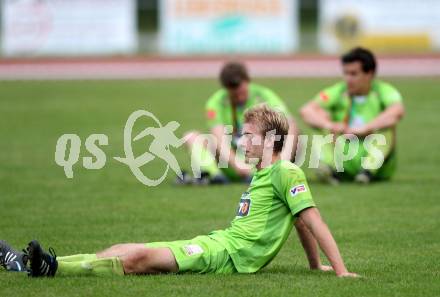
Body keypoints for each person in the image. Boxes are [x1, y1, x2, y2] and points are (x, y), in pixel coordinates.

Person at [1, 105, 357, 278]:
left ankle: (47, 269)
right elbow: (298, 223)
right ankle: (43, 264)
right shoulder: (263, 171)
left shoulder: (286, 170)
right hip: (220, 244)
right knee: (124, 249)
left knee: (136, 260)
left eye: (249, 136)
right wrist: (314, 266)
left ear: (271, 141)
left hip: (227, 257)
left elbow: (313, 220)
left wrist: (338, 271)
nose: (242, 140)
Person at [180, 61, 299, 184]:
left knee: (293, 129)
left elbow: (289, 124)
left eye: (242, 93)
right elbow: (219, 138)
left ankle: (278, 170)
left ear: (247, 81)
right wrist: (238, 165)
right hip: (231, 161)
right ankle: (215, 176)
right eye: (234, 95)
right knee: (190, 137)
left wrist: (283, 161)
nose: (239, 98)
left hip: (261, 159)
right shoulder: (216, 102)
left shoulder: (263, 95)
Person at [300, 47, 405, 184]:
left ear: (369, 74)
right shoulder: (339, 91)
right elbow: (306, 110)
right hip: (345, 150)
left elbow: (397, 111)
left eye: (354, 74)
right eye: (346, 73)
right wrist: (330, 125)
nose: (348, 79)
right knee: (319, 120)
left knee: (388, 127)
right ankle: (330, 170)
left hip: (373, 153)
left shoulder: (383, 91)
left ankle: (368, 171)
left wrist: (367, 128)